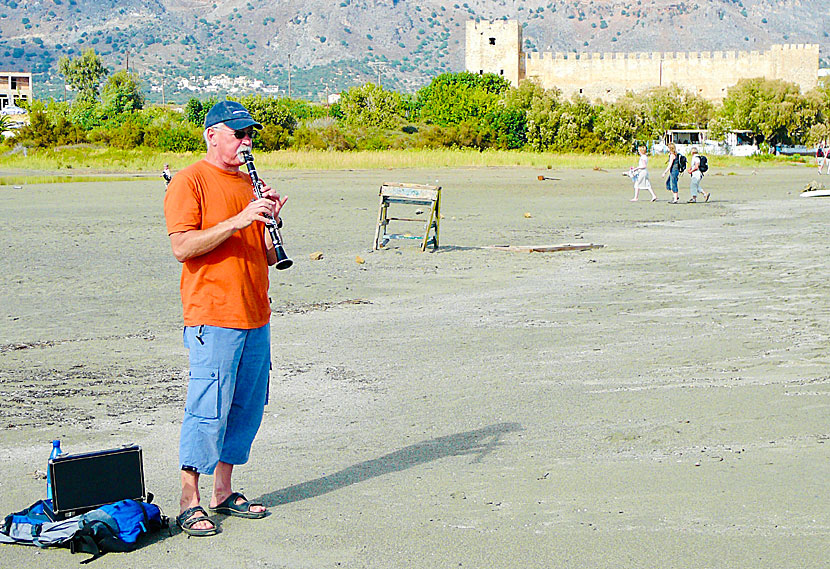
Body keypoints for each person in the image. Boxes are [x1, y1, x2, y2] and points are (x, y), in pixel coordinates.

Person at [163, 100, 287, 537]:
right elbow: (183, 247)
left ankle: (223, 491)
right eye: (238, 134)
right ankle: (188, 499)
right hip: (212, 315)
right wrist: (238, 220)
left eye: (249, 134)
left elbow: (268, 256)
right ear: (211, 134)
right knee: (207, 408)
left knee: (247, 407)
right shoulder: (189, 181)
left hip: (256, 313)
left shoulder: (250, 184)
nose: (246, 142)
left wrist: (272, 219)